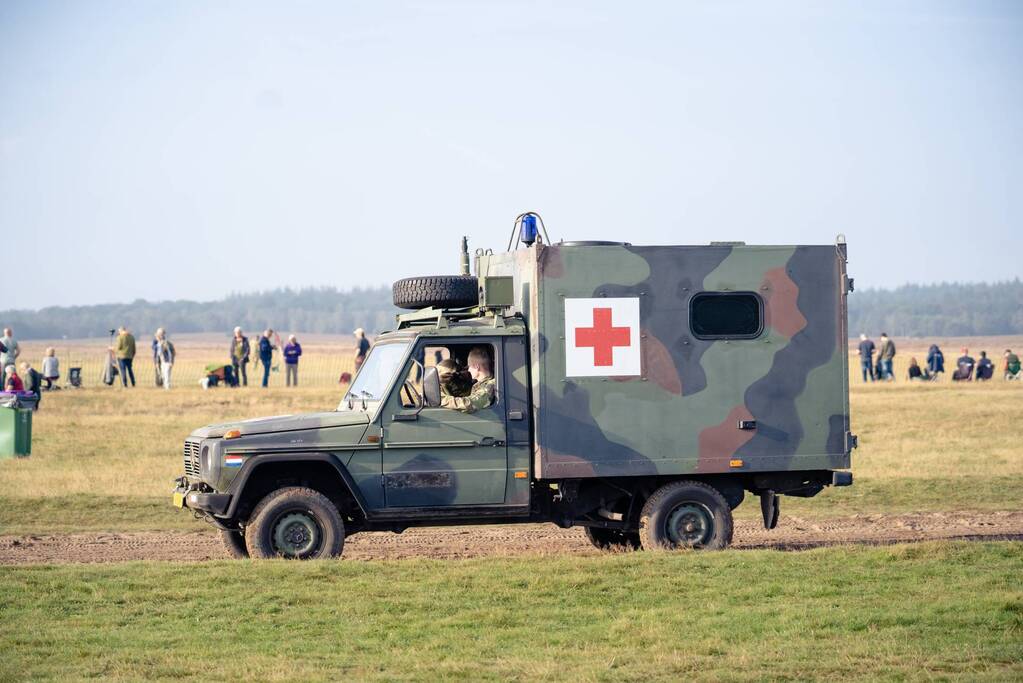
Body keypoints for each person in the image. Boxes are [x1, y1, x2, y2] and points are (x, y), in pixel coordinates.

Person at [441, 347, 495, 413]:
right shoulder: (479, 384)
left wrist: (442, 400)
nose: (468, 370)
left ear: (476, 367)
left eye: (469, 366)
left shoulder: (489, 385)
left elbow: (469, 405)